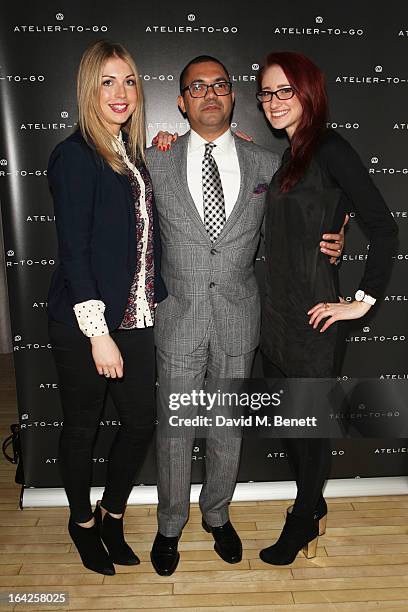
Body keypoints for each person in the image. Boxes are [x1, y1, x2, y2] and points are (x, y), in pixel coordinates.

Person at [145, 55, 344, 576]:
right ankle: (169, 525)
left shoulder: (266, 165)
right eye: (197, 87)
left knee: (227, 426)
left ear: (233, 97)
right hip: (179, 318)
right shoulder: (154, 162)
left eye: (221, 85)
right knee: (176, 427)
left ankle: (216, 513)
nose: (210, 94)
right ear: (183, 101)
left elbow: (300, 221)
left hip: (239, 317)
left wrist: (335, 238)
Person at [256, 51, 398, 565]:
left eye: (284, 92)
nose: (272, 102)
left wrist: (359, 302)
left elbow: (384, 227)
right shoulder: (292, 154)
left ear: (308, 93)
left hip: (314, 319)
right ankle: (313, 505)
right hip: (276, 318)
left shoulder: (330, 147)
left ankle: (301, 522)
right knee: (292, 428)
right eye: (266, 93)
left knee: (307, 430)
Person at [47, 40, 166, 575]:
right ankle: (82, 523)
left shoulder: (130, 156)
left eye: (130, 81)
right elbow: (73, 250)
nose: (121, 93)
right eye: (108, 82)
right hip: (86, 323)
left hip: (136, 317)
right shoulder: (74, 155)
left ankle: (112, 515)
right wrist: (97, 333)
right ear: (88, 89)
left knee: (140, 422)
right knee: (82, 428)